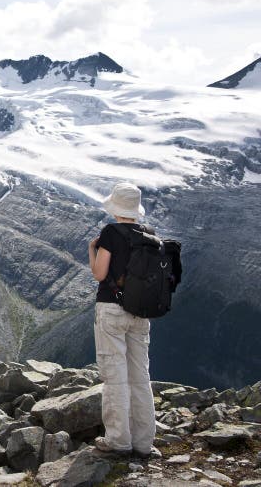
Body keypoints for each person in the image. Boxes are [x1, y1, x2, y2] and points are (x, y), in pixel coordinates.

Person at [87, 182, 160, 459]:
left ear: (116, 207)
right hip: (140, 314)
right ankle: (144, 442)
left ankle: (118, 440)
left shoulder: (110, 233)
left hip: (112, 312)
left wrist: (92, 250)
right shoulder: (150, 235)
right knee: (140, 376)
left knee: (115, 377)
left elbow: (99, 273)